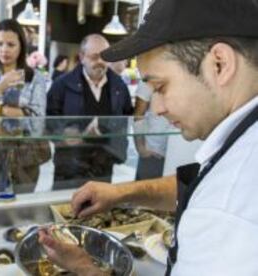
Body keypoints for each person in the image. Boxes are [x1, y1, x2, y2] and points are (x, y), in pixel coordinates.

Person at [39, 0, 258, 275]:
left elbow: (215, 196)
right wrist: (121, 193)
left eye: (160, 86)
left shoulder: (226, 214)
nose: (156, 107)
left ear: (219, 64)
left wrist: (85, 268)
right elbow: (202, 183)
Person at [0, 19, 47, 195]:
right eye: (0, 43)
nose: (4, 49)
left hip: (24, 157)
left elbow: (37, 121)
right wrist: (0, 87)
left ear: (21, 46)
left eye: (11, 44)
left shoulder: (34, 78)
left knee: (21, 213)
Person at [47, 34, 133, 190]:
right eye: (94, 57)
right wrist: (63, 133)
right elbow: (48, 120)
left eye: (104, 57)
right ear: (81, 57)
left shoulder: (119, 87)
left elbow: (126, 120)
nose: (100, 62)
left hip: (104, 167)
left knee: (99, 212)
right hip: (69, 167)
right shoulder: (61, 86)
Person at [133, 81, 169, 180]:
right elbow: (138, 115)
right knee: (144, 191)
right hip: (153, 151)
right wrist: (141, 148)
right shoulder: (149, 78)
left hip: (176, 150)